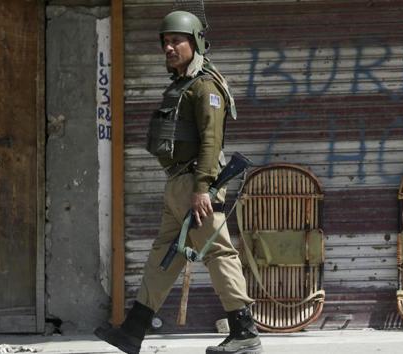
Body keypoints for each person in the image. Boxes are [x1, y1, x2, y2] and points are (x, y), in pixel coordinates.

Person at [95, 10, 263, 354]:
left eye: (177, 41)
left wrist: (203, 188)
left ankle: (245, 332)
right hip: (178, 185)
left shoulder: (205, 86)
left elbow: (211, 141)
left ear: (196, 42)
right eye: (166, 42)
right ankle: (133, 330)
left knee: (218, 253)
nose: (169, 48)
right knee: (165, 257)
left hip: (195, 184)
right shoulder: (183, 86)